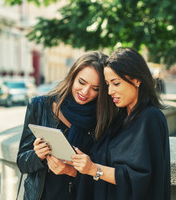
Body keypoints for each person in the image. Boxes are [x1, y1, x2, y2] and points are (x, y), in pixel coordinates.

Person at [72, 47, 171, 200]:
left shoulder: (150, 118)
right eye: (107, 84)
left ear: (137, 80)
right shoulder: (119, 119)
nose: (110, 91)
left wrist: (94, 169)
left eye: (116, 83)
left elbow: (140, 178)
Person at [16, 51, 115, 200]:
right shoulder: (39, 106)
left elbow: (105, 175)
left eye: (96, 88)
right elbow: (22, 163)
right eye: (81, 82)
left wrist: (72, 172)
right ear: (72, 77)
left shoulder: (105, 118)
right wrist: (38, 155)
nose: (85, 92)